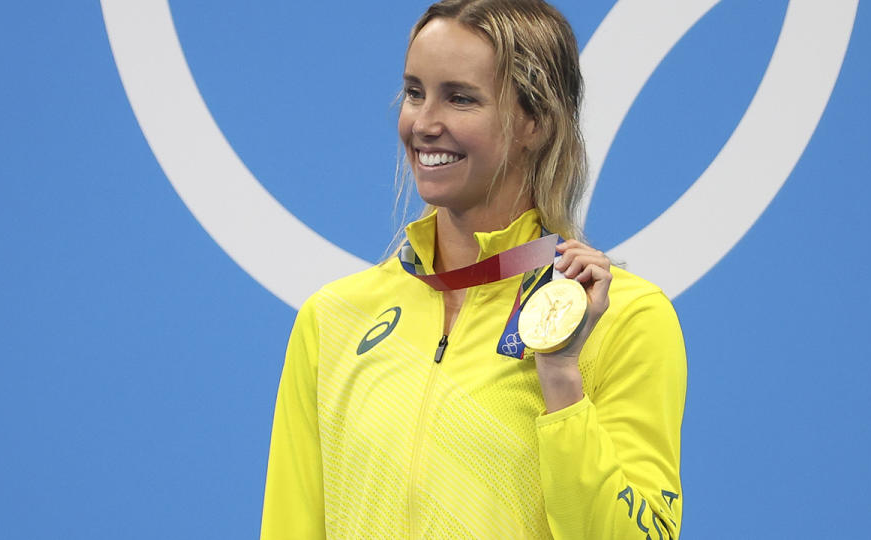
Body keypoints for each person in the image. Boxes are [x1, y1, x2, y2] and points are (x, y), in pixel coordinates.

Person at [261, 1, 686, 538]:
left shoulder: (626, 318)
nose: (424, 122)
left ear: (535, 121)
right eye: (415, 92)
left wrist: (560, 380)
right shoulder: (333, 318)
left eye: (460, 98)